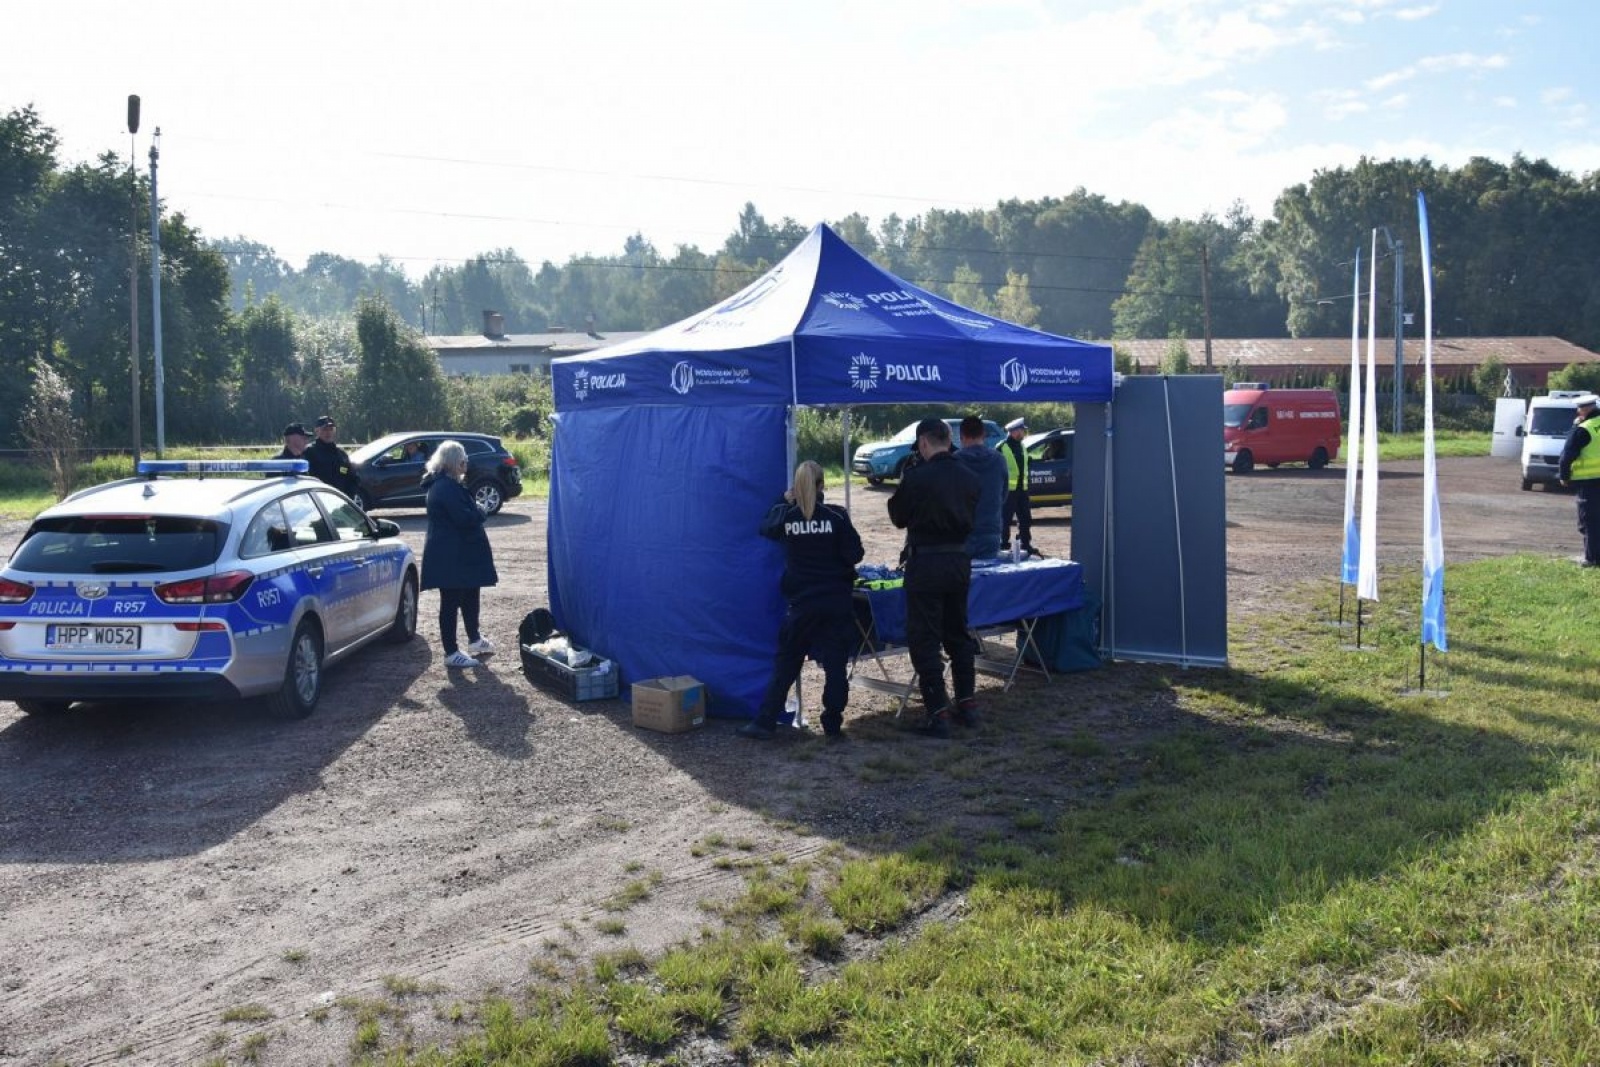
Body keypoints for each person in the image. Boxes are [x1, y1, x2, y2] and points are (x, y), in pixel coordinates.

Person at [739, 461, 865, 741]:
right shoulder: (837, 516)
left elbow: (765, 526)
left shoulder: (788, 516)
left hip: (802, 603)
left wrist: (783, 501)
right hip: (835, 601)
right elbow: (855, 554)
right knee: (835, 666)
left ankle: (765, 721)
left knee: (787, 664)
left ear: (797, 487)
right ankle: (832, 725)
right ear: (822, 485)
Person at [887, 418, 982, 738]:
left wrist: (906, 482)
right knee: (958, 633)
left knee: (925, 638)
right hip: (958, 561)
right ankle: (967, 703)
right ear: (948, 440)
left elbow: (898, 517)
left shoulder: (916, 477)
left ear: (924, 443)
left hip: (926, 563)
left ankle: (938, 711)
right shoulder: (969, 476)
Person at [421, 440, 499, 668]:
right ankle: (451, 651)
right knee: (451, 602)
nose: (466, 463)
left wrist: (475, 511)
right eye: (462, 459)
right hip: (450, 556)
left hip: (460, 555)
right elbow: (464, 517)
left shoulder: (449, 485)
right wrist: (481, 511)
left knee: (471, 594)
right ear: (452, 462)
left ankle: (474, 639)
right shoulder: (444, 487)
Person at [953, 415, 1007, 559]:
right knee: (988, 579)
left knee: (961, 579)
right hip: (990, 531)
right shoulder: (999, 460)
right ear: (983, 434)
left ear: (962, 436)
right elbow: (1004, 494)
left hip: (962, 534)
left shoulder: (954, 461)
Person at [1558, 393, 1600, 567]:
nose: (1577, 412)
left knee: (1589, 521)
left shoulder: (1584, 429)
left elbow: (1566, 455)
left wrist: (1564, 477)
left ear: (1585, 409)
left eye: (1579, 409)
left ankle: (1592, 559)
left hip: (1589, 482)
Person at [998, 416, 1036, 557]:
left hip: (1022, 490)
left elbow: (1024, 463)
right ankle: (1003, 545)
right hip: (1008, 491)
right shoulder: (1002, 447)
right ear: (1014, 431)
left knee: (1026, 518)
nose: (1024, 433)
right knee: (1005, 519)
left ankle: (1025, 544)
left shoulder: (1022, 446)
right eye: (1022, 431)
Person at [306, 414, 360, 498]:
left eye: (331, 429)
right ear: (317, 431)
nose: (328, 432)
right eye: (324, 429)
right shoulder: (309, 452)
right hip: (319, 503)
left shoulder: (341, 455)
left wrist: (348, 497)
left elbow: (352, 478)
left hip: (339, 502)